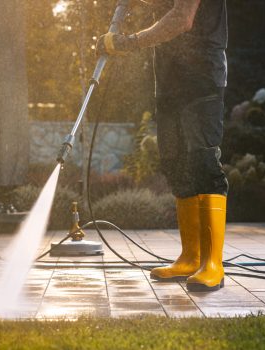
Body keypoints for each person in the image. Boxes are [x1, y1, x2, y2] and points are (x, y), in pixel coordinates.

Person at [98, 0, 228, 292]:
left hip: (201, 77)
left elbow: (182, 18)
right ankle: (191, 257)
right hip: (169, 80)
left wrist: (128, 42)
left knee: (203, 162)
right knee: (175, 163)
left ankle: (213, 264)